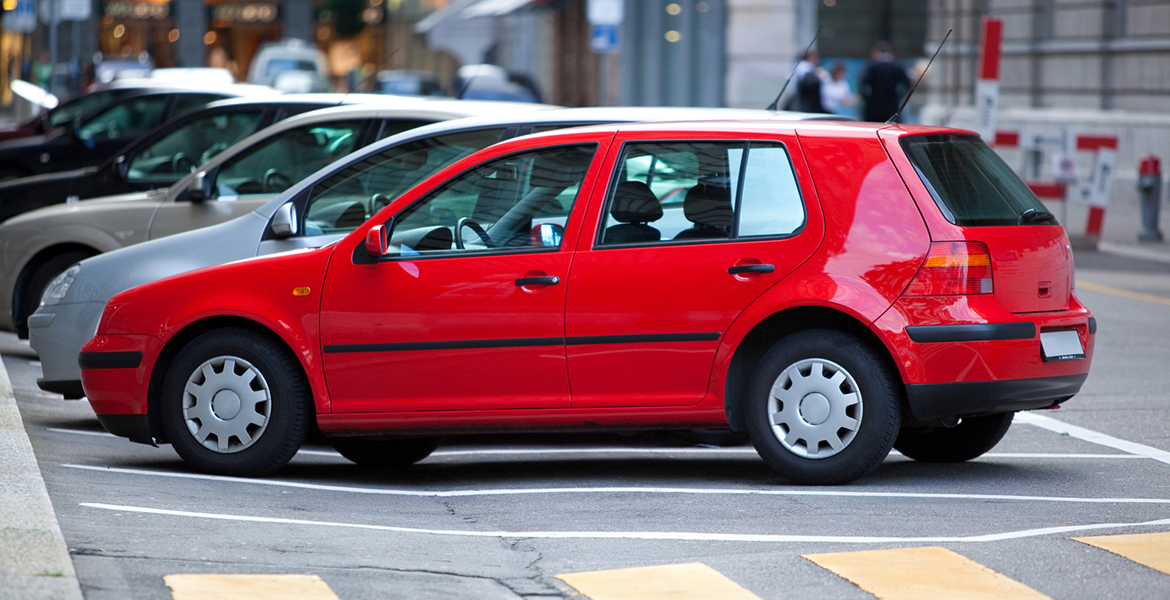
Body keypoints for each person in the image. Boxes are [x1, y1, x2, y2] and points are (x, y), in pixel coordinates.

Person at [859, 42, 910, 123]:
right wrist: (899, 96)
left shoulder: (872, 67)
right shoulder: (897, 67)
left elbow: (862, 85)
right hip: (892, 106)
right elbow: (907, 83)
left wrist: (868, 98)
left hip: (873, 108)